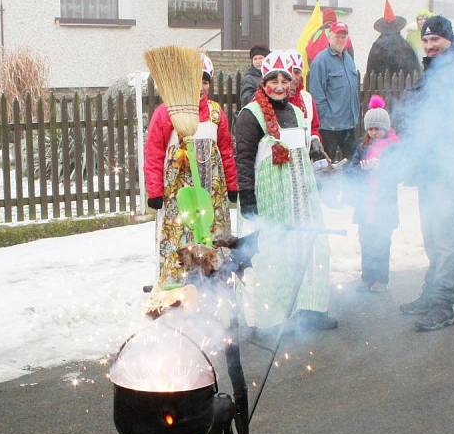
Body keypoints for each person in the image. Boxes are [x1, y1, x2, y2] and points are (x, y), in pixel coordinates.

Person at [234, 51, 336, 331]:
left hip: (302, 197)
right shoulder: (250, 115)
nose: (279, 86)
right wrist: (247, 198)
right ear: (263, 82)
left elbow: (302, 151)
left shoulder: (297, 111)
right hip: (273, 199)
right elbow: (242, 159)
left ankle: (311, 308)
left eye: (284, 80)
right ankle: (271, 316)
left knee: (313, 246)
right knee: (275, 253)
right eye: (273, 80)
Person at [398, 15, 454, 331]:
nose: (430, 45)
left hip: (449, 164)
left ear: (448, 38)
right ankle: (431, 292)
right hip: (430, 164)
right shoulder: (436, 67)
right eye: (426, 40)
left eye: (435, 39)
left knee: (445, 234)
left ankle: (443, 303)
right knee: (431, 231)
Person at [144, 54, 237, 288]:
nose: (200, 87)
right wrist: (154, 190)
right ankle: (177, 292)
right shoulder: (166, 113)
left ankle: (217, 292)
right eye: (194, 81)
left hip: (212, 194)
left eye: (205, 81)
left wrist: (233, 186)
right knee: (181, 242)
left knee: (213, 239)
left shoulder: (216, 114)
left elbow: (226, 149)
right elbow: (154, 153)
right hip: (179, 196)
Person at [347, 96, 399, 293]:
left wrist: (381, 168)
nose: (374, 132)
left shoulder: (393, 149)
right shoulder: (362, 148)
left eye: (377, 129)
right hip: (365, 205)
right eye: (370, 129)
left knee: (382, 242)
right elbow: (350, 171)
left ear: (385, 129)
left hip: (384, 206)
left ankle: (381, 279)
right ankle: (367, 278)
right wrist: (363, 170)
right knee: (366, 242)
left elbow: (398, 172)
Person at [309, 22, 361, 162]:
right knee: (325, 166)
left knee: (353, 165)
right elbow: (317, 95)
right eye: (337, 36)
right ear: (329, 37)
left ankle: (351, 185)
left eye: (343, 36)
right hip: (329, 127)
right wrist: (326, 117)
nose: (340, 39)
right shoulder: (320, 61)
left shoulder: (348, 59)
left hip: (349, 124)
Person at [285, 50, 322, 149]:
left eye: (297, 72)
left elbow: (314, 127)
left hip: (304, 157)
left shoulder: (307, 98)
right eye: (289, 71)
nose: (293, 77)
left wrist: (315, 139)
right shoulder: (274, 98)